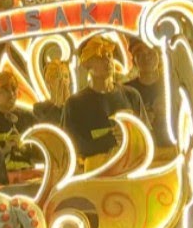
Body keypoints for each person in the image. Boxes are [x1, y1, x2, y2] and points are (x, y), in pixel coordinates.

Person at [63, 35, 146, 170]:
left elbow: (146, 136)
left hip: (131, 173)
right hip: (96, 178)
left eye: (109, 55)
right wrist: (113, 138)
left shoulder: (131, 96)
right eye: (100, 57)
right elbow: (74, 146)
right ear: (86, 64)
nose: (107, 60)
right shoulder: (75, 104)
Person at [0, 71, 38, 175]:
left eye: (14, 89)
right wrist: (5, 149)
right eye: (5, 90)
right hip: (0, 178)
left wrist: (23, 148)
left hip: (28, 175)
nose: (12, 94)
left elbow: (42, 152)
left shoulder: (29, 119)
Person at [125, 40, 167, 141]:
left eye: (150, 52)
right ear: (134, 60)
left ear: (158, 55)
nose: (146, 58)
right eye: (140, 54)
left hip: (173, 147)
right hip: (141, 147)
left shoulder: (171, 84)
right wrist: (138, 121)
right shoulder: (126, 91)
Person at [33, 60, 71, 125]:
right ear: (49, 81)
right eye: (58, 76)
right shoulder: (39, 109)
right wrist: (58, 106)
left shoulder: (76, 106)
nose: (63, 80)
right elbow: (44, 127)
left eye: (66, 76)